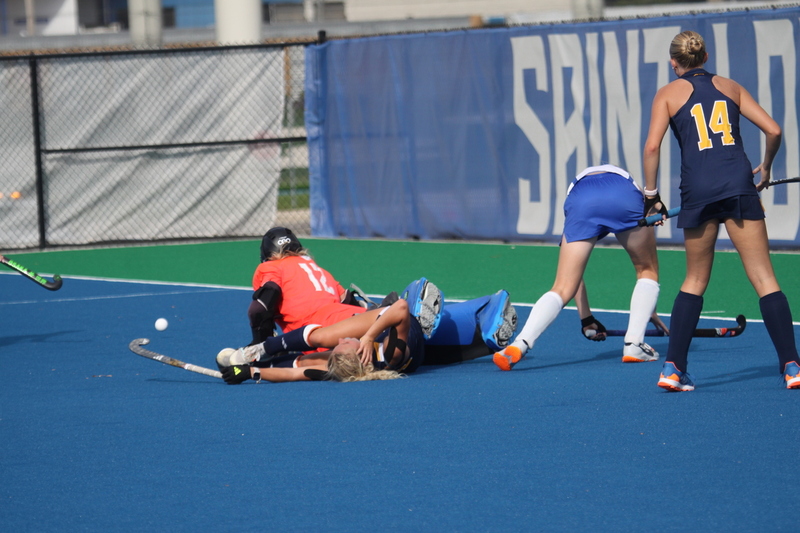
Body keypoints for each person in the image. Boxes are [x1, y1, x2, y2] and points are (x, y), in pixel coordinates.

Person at [642, 30, 800, 391]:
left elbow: (652, 148)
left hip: (697, 190)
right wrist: (767, 165)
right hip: (738, 185)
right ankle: (792, 365)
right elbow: (773, 130)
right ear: (706, 57)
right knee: (764, 278)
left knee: (695, 280)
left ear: (674, 62)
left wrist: (651, 196)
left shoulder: (666, 94)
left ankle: (672, 368)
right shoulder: (731, 87)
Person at [245, 226, 516, 364]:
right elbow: (348, 300)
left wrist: (260, 347)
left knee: (391, 352)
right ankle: (482, 326)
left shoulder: (269, 267)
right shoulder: (316, 269)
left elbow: (260, 308)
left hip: (330, 332)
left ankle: (409, 309)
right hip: (357, 318)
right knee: (405, 345)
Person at [492, 164, 663, 371]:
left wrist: (586, 318)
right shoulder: (623, 180)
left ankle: (520, 344)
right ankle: (634, 344)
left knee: (562, 286)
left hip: (582, 197)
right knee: (647, 270)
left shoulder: (577, 190)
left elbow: (575, 280)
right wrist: (647, 310)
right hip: (622, 192)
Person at [218, 298, 423, 383]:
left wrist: (250, 372)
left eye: (341, 344)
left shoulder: (344, 368)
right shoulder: (391, 355)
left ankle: (257, 357)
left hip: (379, 331)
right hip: (399, 323)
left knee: (310, 358)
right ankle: (260, 349)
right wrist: (368, 337)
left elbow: (293, 374)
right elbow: (402, 307)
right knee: (322, 337)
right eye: (345, 343)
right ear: (359, 356)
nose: (341, 339)